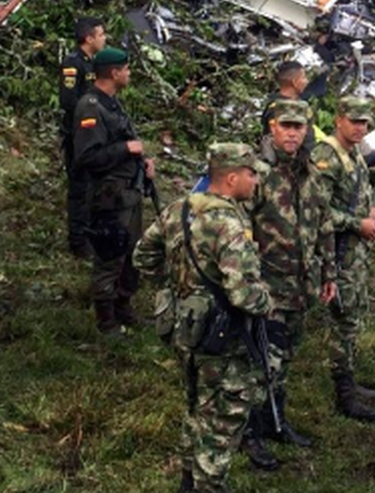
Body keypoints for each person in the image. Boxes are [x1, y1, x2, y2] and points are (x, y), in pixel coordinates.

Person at [134, 142, 272, 493]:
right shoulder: (229, 224)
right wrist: (268, 302)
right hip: (221, 336)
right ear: (231, 177)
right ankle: (209, 484)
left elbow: (143, 256)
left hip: (185, 327)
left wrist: (177, 289)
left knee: (196, 404)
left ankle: (187, 480)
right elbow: (242, 293)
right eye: (250, 173)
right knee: (223, 419)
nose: (255, 180)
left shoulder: (179, 209)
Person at [247, 99, 336, 452]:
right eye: (286, 126)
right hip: (265, 285)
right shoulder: (256, 173)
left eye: (299, 127)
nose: (292, 133)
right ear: (272, 127)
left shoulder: (311, 173)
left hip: (301, 284)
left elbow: (324, 224)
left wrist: (329, 271)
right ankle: (250, 432)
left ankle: (275, 422)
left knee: (285, 357)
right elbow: (236, 228)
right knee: (261, 360)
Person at [311, 97, 375, 422]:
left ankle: (349, 379)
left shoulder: (353, 151)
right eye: (354, 121)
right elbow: (318, 210)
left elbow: (362, 189)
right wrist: (359, 224)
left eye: (365, 123)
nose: (360, 128)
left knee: (354, 313)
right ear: (339, 118)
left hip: (355, 250)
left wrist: (372, 210)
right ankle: (344, 392)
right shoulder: (326, 155)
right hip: (337, 250)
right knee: (343, 318)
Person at [73, 46, 154, 334]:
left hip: (128, 194)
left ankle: (124, 307)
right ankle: (106, 321)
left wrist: (141, 162)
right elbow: (87, 157)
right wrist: (125, 149)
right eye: (127, 69)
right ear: (114, 72)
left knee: (132, 255)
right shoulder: (91, 107)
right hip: (109, 198)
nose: (129, 74)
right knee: (110, 254)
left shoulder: (112, 103)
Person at [59, 17, 106, 259]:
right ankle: (77, 241)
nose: (104, 39)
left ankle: (89, 232)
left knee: (93, 186)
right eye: (101, 35)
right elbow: (69, 102)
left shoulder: (93, 63)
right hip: (78, 136)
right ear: (89, 38)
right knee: (79, 188)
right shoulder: (73, 63)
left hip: (91, 136)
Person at [260, 61, 318, 151]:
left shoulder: (301, 104)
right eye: (303, 77)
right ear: (294, 82)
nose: (306, 81)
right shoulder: (275, 108)